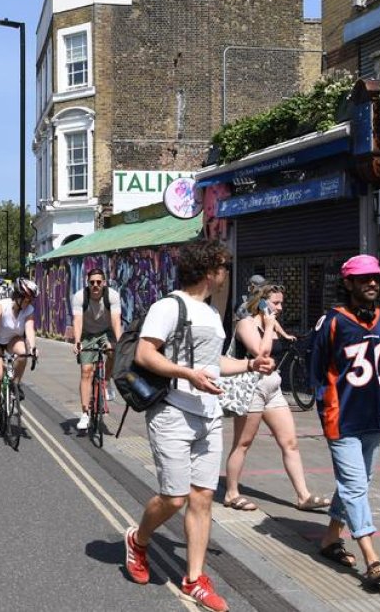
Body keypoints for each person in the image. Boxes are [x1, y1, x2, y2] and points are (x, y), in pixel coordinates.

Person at [124, 239, 275, 612]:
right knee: (174, 497)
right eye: (223, 267)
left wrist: (249, 365)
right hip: (173, 410)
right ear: (210, 270)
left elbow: (214, 362)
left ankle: (194, 578)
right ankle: (138, 540)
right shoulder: (168, 306)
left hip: (208, 414)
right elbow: (145, 353)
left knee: (203, 497)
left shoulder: (210, 312)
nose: (226, 274)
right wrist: (186, 374)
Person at [311, 254, 380, 587]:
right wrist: (326, 409)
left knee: (356, 484)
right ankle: (371, 558)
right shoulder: (333, 322)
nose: (372, 283)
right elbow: (317, 371)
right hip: (343, 419)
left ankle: (330, 538)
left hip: (376, 417)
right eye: (364, 279)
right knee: (355, 486)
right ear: (348, 283)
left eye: (375, 277)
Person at [222, 283, 329, 512]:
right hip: (252, 390)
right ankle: (231, 493)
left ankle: (303, 496)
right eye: (275, 303)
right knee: (243, 443)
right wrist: (269, 326)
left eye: (281, 302)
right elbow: (261, 354)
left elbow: (282, 342)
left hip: (273, 389)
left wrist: (281, 331)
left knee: (290, 442)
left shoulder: (272, 323)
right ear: (260, 303)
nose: (280, 307)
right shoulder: (245, 324)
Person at [72, 268, 124, 432]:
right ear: (88, 283)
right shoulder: (80, 296)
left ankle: (106, 382)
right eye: (92, 282)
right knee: (86, 371)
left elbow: (116, 321)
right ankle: (85, 413)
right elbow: (78, 321)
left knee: (112, 351)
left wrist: (119, 342)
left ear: (104, 283)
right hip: (87, 334)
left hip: (106, 332)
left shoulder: (113, 296)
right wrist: (78, 341)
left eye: (98, 282)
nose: (95, 285)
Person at [0, 278, 38, 430]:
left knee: (23, 352)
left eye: (31, 299)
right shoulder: (2, 305)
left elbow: (29, 330)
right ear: (18, 296)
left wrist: (33, 347)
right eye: (27, 299)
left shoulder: (29, 310)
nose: (29, 302)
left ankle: (16, 383)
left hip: (13, 339)